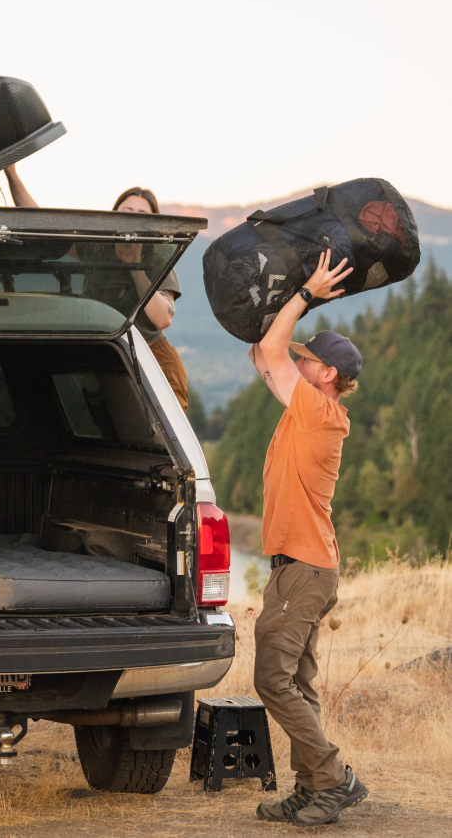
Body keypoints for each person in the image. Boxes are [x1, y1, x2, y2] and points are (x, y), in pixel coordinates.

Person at [248, 249, 368, 827]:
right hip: (301, 566)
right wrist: (267, 310)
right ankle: (311, 785)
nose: (299, 365)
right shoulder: (308, 407)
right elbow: (264, 356)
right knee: (298, 682)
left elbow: (274, 355)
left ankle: (334, 778)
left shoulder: (320, 411)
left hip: (305, 566)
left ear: (327, 375)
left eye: (308, 361)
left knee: (272, 675)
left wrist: (306, 295)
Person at [4, 166, 188, 412]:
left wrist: (134, 266)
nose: (133, 218)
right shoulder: (97, 248)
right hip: (107, 353)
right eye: (127, 212)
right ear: (114, 216)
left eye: (141, 214)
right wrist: (11, 175)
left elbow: (163, 317)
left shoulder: (157, 257)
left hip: (152, 356)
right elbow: (43, 228)